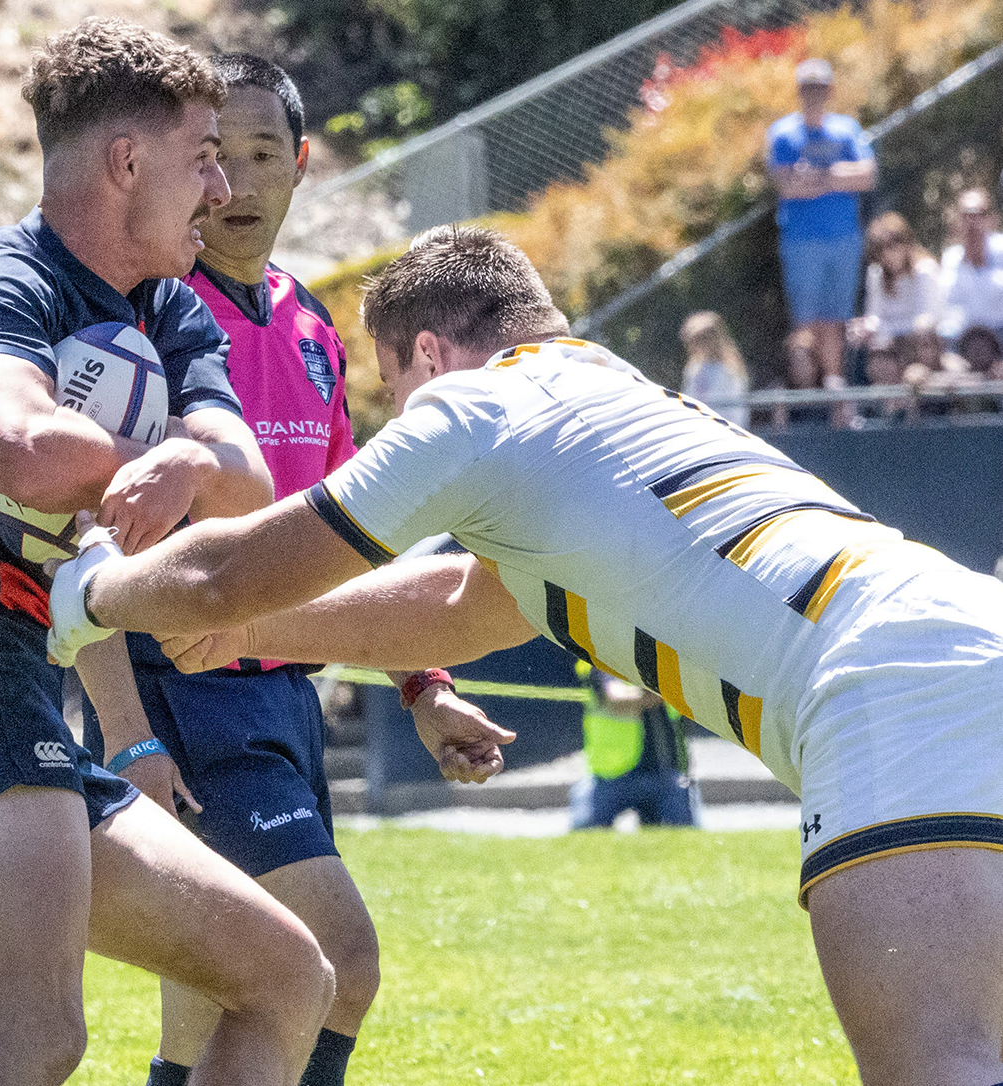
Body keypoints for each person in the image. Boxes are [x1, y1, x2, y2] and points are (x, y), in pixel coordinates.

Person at [51, 224, 1003, 1085]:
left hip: (888, 690)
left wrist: (90, 593)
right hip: (964, 631)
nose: (400, 412)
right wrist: (255, 638)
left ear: (427, 352)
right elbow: (470, 606)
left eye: (393, 388)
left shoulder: (471, 412)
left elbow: (237, 570)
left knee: (938, 1062)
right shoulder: (610, 396)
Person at [0, 21, 334, 1086]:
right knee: (34, 1035)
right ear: (126, 162)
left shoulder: (168, 308)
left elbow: (245, 480)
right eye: (200, 154)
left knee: (287, 980)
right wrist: (157, 459)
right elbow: (19, 450)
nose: (216, 187)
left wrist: (189, 472)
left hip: (22, 687)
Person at [88, 54, 486, 1086]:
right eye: (218, 155)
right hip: (190, 693)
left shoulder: (310, 326)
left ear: (301, 165)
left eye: (265, 153)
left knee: (207, 1007)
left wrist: (423, 683)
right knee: (335, 964)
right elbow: (84, 545)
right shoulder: (145, 327)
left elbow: (354, 531)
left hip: (285, 700)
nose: (240, 181)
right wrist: (129, 735)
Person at [766, 57, 876, 423]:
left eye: (819, 87)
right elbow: (787, 185)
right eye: (807, 88)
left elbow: (867, 175)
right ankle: (800, 403)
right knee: (806, 324)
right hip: (801, 242)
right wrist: (836, 178)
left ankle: (836, 396)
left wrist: (820, 177)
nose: (814, 94)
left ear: (829, 91)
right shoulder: (783, 133)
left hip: (843, 238)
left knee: (836, 320)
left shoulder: (847, 130)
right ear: (799, 92)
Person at [569, 662, 698, 830]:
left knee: (685, 831)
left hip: (662, 772)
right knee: (585, 832)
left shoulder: (666, 659)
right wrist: (652, 694)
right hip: (610, 775)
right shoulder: (599, 658)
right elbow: (615, 698)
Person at [853, 212, 944, 391]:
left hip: (921, 345)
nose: (888, 253)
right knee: (871, 346)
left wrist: (887, 329)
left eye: (893, 245)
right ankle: (882, 408)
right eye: (881, 248)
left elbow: (927, 320)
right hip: (890, 347)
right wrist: (864, 328)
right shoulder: (875, 273)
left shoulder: (925, 270)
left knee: (922, 341)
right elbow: (875, 316)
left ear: (907, 243)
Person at [937, 187, 1003, 374]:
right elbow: (945, 315)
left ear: (992, 219)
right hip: (961, 345)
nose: (972, 222)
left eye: (978, 214)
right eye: (965, 215)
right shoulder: (950, 259)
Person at [677, 311, 750, 426]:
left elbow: (737, 408)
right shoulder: (694, 369)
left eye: (700, 340)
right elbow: (688, 398)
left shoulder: (729, 369)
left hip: (724, 429)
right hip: (699, 427)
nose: (694, 346)